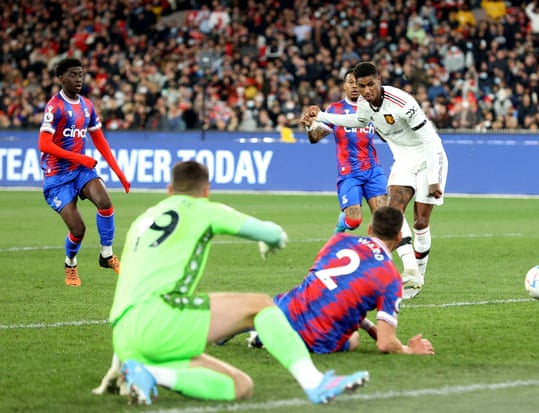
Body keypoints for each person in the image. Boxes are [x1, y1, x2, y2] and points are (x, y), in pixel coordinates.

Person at [94, 160, 368, 406]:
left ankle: (150, 373)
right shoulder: (203, 209)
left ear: (169, 190)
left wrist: (120, 359)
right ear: (206, 191)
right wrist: (270, 241)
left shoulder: (142, 222)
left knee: (241, 386)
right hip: (160, 319)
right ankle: (314, 382)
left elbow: (129, 285)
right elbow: (272, 233)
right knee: (260, 305)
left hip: (125, 334)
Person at [305, 61, 449, 299]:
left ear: (379, 80)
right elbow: (357, 121)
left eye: (371, 84)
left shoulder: (403, 103)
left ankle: (419, 275)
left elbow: (430, 140)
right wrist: (321, 115)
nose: (367, 90)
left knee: (421, 223)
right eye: (362, 86)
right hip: (403, 160)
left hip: (428, 158)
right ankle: (409, 271)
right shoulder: (363, 103)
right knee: (392, 212)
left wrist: (434, 179)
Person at [248, 206, 435, 356]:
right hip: (319, 335)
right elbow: (385, 344)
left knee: (259, 306)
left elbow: (326, 285)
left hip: (286, 308)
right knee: (352, 339)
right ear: (399, 237)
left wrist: (369, 326)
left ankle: (252, 330)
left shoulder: (340, 240)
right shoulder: (390, 276)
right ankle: (283, 341)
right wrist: (408, 350)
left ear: (370, 229)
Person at [38, 57, 130, 287]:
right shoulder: (54, 106)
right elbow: (44, 144)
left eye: (80, 74)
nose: (78, 79)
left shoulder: (87, 105)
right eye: (72, 75)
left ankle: (106, 255)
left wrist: (119, 172)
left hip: (80, 171)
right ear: (61, 78)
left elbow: (100, 141)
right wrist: (80, 157)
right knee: (78, 229)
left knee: (105, 202)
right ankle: (70, 264)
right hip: (56, 177)